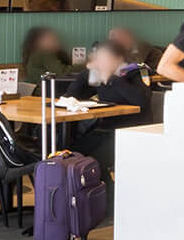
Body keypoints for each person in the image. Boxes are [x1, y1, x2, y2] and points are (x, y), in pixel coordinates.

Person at [64, 39, 153, 176]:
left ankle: (106, 194)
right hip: (105, 129)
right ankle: (98, 193)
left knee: (91, 163)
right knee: (71, 155)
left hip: (131, 131)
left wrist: (112, 78)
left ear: (117, 59)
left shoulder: (134, 71)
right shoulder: (99, 73)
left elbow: (142, 100)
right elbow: (71, 95)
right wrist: (85, 73)